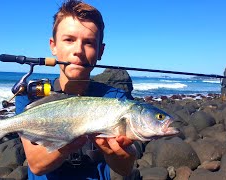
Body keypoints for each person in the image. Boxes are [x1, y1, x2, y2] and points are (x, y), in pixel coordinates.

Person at [16, 0, 136, 179]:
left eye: (88, 42)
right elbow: (37, 165)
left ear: (100, 51)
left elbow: (125, 168)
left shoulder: (116, 99)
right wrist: (71, 140)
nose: (78, 50)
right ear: (53, 45)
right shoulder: (32, 94)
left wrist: (119, 154)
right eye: (69, 40)